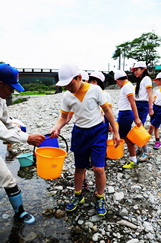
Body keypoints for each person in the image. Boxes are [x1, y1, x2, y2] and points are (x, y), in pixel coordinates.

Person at [49, 62, 120, 216]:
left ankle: (100, 197)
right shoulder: (67, 95)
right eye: (64, 85)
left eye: (70, 84)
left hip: (98, 132)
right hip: (80, 133)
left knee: (98, 168)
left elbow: (107, 110)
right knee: (79, 167)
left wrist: (116, 131)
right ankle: (78, 195)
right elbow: (64, 116)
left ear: (79, 78)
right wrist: (57, 127)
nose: (67, 88)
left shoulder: (95, 90)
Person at [0, 63, 45, 224]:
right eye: (11, 88)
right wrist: (27, 139)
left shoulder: (1, 99)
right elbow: (1, 132)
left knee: (8, 179)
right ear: (0, 83)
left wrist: (26, 134)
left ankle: (19, 212)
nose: (12, 92)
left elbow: (7, 124)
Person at [114, 70, 142, 169]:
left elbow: (132, 102)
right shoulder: (128, 85)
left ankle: (133, 160)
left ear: (118, 81)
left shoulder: (126, 86)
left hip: (125, 114)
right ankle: (132, 156)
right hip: (124, 113)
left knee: (127, 137)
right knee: (123, 136)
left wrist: (137, 118)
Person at [131, 61, 154, 162]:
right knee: (138, 126)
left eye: (137, 69)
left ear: (143, 69)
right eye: (134, 70)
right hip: (138, 104)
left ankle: (146, 151)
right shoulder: (140, 80)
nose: (135, 72)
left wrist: (150, 108)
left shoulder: (146, 79)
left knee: (140, 127)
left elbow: (150, 94)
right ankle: (140, 148)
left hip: (143, 105)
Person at [145, 72, 161, 149]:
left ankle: (145, 140)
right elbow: (154, 99)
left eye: (157, 80)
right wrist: (150, 106)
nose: (156, 82)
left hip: (160, 111)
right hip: (155, 108)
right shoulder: (158, 91)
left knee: (152, 126)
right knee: (155, 126)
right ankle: (157, 140)